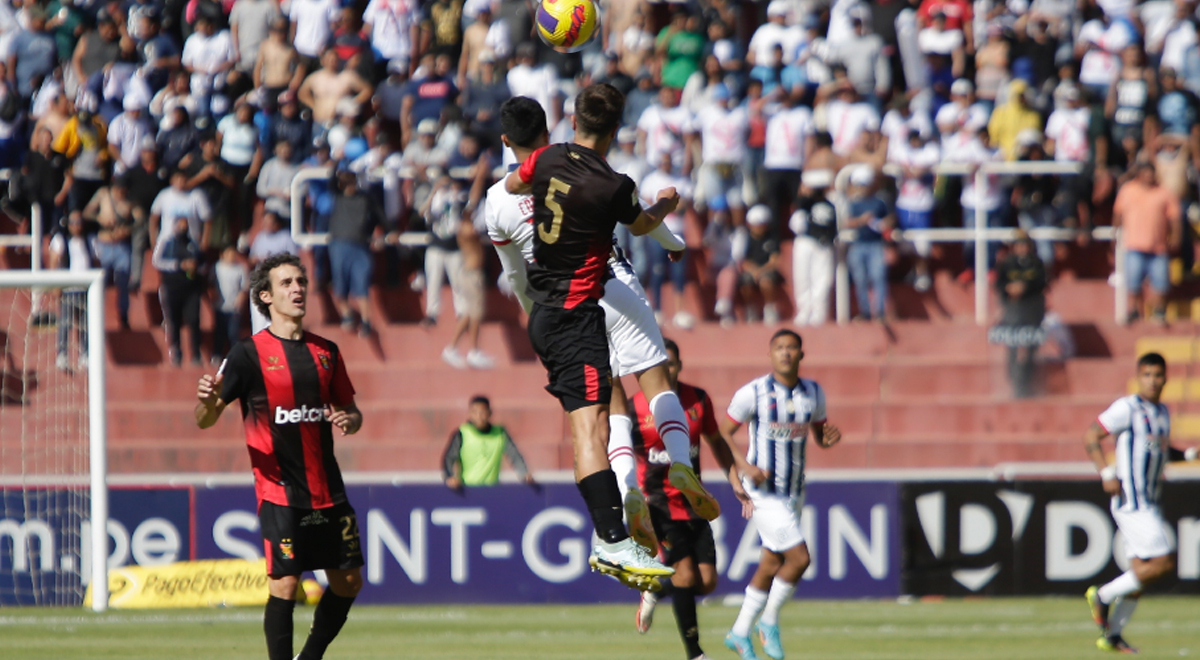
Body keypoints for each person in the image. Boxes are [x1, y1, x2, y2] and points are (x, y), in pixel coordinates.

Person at [502, 88, 716, 590]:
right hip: (578, 313)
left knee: (600, 418)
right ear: (617, 129)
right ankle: (610, 538)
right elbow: (641, 227)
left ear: (572, 119)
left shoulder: (548, 157)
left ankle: (616, 527)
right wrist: (663, 205)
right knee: (594, 426)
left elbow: (515, 184)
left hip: (548, 311)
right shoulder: (614, 185)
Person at [195, 253, 364, 660]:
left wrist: (349, 420)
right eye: (287, 283)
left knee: (348, 582)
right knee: (285, 583)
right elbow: (205, 419)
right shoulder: (247, 354)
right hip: (279, 491)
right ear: (266, 296)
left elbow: (353, 413)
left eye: (301, 281)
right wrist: (208, 401)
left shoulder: (327, 352)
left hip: (329, 488)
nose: (298, 289)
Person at [620, 338, 758, 660]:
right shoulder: (633, 406)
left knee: (706, 582)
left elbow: (715, 441)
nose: (666, 368)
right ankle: (695, 653)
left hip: (694, 503)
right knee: (684, 574)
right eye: (660, 363)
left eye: (671, 362)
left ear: (680, 365)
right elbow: (619, 453)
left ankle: (656, 589)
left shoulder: (697, 400)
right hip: (657, 505)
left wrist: (734, 479)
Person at [722, 329, 840, 660]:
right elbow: (722, 433)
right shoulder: (754, 393)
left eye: (791, 348)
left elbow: (818, 434)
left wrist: (828, 438)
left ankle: (739, 632)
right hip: (762, 490)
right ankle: (769, 623)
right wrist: (744, 467)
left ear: (802, 354)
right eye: (779, 348)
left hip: (793, 490)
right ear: (770, 354)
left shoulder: (814, 393)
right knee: (800, 558)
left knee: (772, 561)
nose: (786, 353)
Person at [1083, 352, 1198, 654]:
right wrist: (1106, 472)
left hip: (1151, 500)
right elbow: (1092, 436)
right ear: (1139, 377)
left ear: (1165, 379)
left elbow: (1159, 450)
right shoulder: (1127, 408)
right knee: (1164, 561)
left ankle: (1112, 636)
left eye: (1157, 375)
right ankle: (1103, 595)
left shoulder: (1161, 412)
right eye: (1146, 375)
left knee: (1141, 574)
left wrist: (1187, 455)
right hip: (1132, 501)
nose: (1152, 380)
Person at [1113, 161, 1181, 325]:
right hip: (1134, 245)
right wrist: (1115, 236)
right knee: (1134, 281)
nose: (1149, 176)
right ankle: (1136, 310)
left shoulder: (1164, 193)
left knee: (1160, 282)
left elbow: (1175, 217)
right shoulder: (1127, 190)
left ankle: (1158, 311)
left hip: (1158, 247)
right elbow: (1117, 214)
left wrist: (1176, 237)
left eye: (1151, 173)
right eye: (1146, 173)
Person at [328, 170, 386, 337]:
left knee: (362, 283)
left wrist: (391, 230)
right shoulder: (338, 196)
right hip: (339, 244)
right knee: (339, 285)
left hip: (360, 246)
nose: (350, 186)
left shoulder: (365, 198)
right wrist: (336, 165)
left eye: (352, 182)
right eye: (346, 182)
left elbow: (380, 215)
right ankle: (347, 315)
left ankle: (366, 322)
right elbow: (331, 182)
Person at [993, 231, 1046, 398]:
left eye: (1025, 244)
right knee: (1012, 350)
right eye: (1019, 244)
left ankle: (1028, 381)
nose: (1022, 248)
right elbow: (999, 285)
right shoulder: (1006, 264)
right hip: (1013, 314)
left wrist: (1025, 288)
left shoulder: (1037, 263)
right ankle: (1015, 384)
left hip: (1032, 313)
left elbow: (1042, 283)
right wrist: (1009, 290)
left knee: (1030, 350)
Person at [442, 395, 535, 488]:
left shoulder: (500, 433)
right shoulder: (462, 434)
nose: (479, 416)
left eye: (482, 412)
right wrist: (450, 477)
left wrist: (524, 474)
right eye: (475, 412)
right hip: (467, 490)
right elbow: (449, 458)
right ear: (469, 414)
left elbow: (514, 455)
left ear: (489, 413)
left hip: (492, 491)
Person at [789, 170, 837, 326]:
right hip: (806, 242)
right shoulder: (802, 204)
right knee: (802, 278)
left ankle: (819, 314)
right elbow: (796, 225)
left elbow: (836, 226)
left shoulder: (832, 203)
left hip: (824, 246)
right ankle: (804, 312)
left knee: (823, 281)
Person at [49, 213, 96, 371]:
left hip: (85, 289)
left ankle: (86, 354)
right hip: (69, 289)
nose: (77, 225)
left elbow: (95, 260)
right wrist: (56, 285)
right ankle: (62, 355)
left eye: (79, 222)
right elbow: (54, 260)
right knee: (65, 323)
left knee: (85, 324)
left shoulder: (89, 241)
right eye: (74, 222)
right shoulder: (61, 240)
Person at [736, 205, 783, 324]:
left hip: (767, 269)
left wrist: (761, 271)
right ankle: (751, 311)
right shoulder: (745, 238)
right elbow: (743, 260)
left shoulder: (772, 238)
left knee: (766, 282)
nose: (759, 227)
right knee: (745, 282)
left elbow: (774, 260)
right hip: (751, 270)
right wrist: (754, 271)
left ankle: (770, 310)